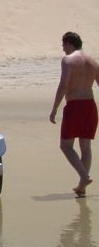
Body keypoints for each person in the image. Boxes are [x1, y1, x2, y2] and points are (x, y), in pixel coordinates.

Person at [49, 32, 99, 196]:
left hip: (75, 106)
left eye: (63, 45)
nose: (63, 48)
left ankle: (84, 177)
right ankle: (82, 187)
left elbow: (63, 86)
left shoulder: (68, 60)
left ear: (70, 44)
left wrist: (55, 108)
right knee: (85, 147)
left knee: (66, 146)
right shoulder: (93, 61)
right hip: (90, 106)